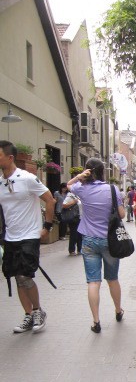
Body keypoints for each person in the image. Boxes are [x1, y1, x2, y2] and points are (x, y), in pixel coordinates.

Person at [0, 140, 55, 333]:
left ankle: (38, 311)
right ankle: (28, 315)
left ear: (10, 157)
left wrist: (47, 227)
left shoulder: (27, 178)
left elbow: (50, 199)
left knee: (25, 275)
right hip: (10, 237)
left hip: (30, 235)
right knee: (17, 277)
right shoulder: (0, 182)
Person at [67, 158, 126, 333]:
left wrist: (79, 176)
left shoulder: (81, 189)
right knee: (112, 279)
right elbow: (122, 214)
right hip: (109, 240)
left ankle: (96, 321)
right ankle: (118, 311)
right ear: (102, 171)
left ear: (87, 171)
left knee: (93, 282)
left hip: (89, 240)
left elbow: (69, 185)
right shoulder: (112, 189)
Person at [62, 190, 82, 255]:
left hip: (80, 217)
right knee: (74, 234)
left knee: (80, 234)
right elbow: (64, 205)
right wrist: (73, 202)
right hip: (74, 218)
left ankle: (80, 249)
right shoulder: (70, 195)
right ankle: (72, 250)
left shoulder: (78, 195)